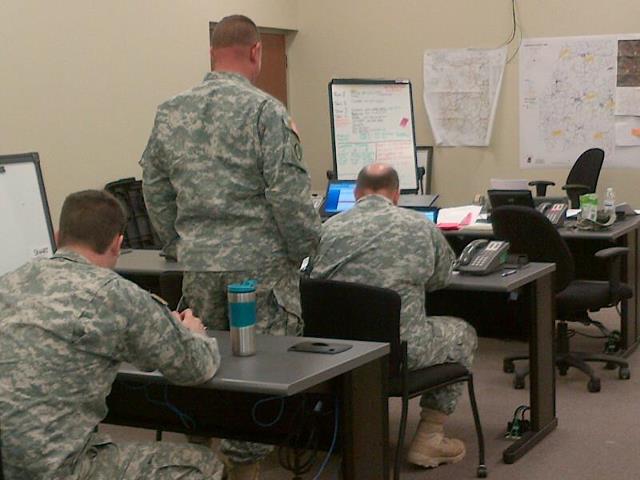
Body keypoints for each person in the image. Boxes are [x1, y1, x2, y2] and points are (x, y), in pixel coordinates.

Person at [139, 14, 320, 478]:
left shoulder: (170, 111)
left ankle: (199, 461)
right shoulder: (266, 112)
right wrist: (306, 249)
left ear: (211, 54)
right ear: (256, 52)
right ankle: (243, 473)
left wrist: (180, 243)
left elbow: (154, 188)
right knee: (259, 376)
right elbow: (288, 194)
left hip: (199, 267)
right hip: (259, 271)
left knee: (202, 367)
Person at [0, 190, 223, 480]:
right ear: (118, 244)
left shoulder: (10, 283)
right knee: (202, 465)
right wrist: (194, 333)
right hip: (56, 471)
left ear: (57, 237)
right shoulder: (116, 294)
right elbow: (196, 368)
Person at [309, 163, 478, 469]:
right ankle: (430, 438)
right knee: (463, 333)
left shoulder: (326, 229)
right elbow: (441, 280)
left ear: (356, 193)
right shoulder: (420, 227)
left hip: (336, 352)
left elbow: (311, 280)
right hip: (398, 352)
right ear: (397, 195)